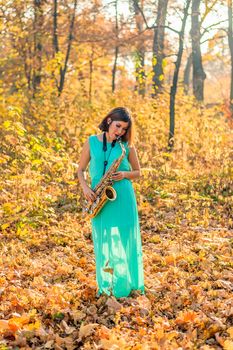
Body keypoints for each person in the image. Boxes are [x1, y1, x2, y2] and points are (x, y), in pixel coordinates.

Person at [77, 107, 144, 298]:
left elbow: (139, 172)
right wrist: (85, 188)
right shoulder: (91, 142)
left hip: (123, 197)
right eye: (118, 126)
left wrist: (125, 174)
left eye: (124, 129)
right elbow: (80, 170)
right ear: (108, 121)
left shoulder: (127, 146)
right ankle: (107, 285)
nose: (120, 132)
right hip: (98, 197)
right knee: (103, 241)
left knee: (125, 240)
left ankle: (130, 283)